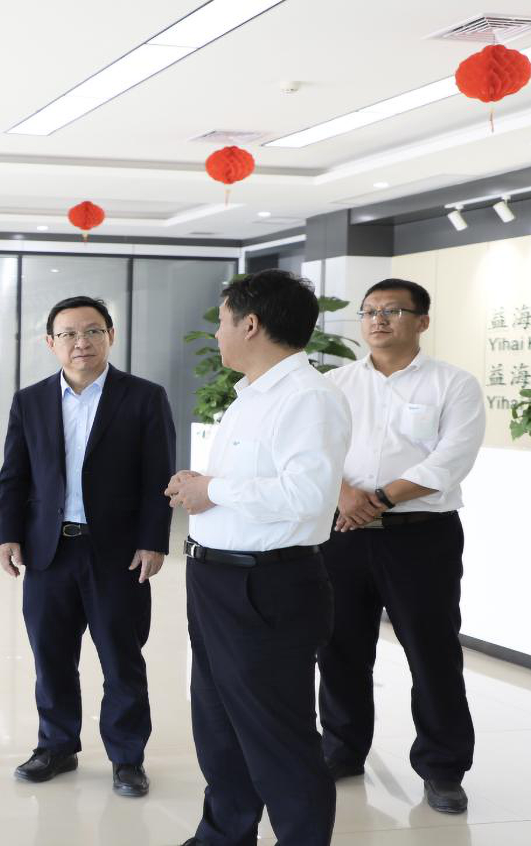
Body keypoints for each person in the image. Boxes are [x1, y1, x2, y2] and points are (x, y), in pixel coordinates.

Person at [166, 269, 351, 846]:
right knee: (218, 725)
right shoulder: (251, 394)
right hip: (217, 579)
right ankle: (223, 835)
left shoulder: (308, 397)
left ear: (250, 324)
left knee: (277, 737)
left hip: (265, 587)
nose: (216, 334)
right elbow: (251, 483)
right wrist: (201, 484)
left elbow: (309, 496)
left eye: (222, 322)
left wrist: (213, 490)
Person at [0, 295, 176, 797]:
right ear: (50, 343)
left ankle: (127, 758)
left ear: (111, 336)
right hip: (49, 551)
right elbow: (14, 475)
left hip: (117, 553)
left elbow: (157, 477)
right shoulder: (30, 400)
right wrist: (8, 534)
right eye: (69, 334)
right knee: (51, 655)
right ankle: (56, 746)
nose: (82, 342)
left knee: (121, 658)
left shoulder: (143, 397)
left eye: (93, 331)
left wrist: (153, 541)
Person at [319, 278, 485, 815]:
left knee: (432, 652)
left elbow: (450, 460)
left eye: (392, 311)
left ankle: (443, 768)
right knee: (340, 648)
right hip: (342, 534)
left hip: (421, 538)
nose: (378, 320)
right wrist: (344, 495)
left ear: (422, 321)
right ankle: (341, 750)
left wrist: (380, 499)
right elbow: (315, 450)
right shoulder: (336, 383)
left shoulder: (453, 384)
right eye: (369, 311)